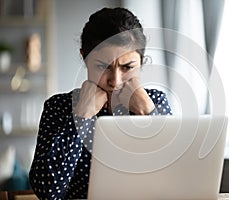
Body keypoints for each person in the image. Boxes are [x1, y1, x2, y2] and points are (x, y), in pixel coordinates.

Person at [29, 7, 172, 199]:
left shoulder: (155, 102)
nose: (115, 80)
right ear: (85, 58)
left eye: (128, 67)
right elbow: (48, 192)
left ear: (142, 62)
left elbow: (174, 181)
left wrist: (150, 114)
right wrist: (80, 117)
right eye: (102, 67)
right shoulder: (58, 107)